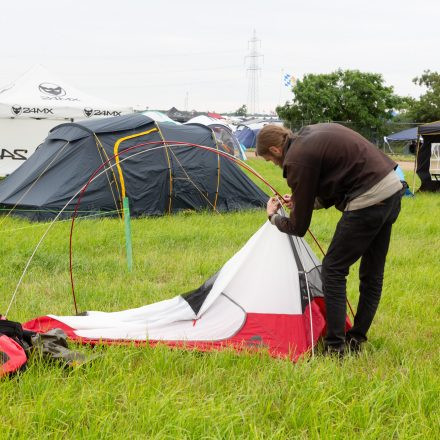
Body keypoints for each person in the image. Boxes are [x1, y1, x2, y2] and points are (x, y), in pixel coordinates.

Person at [256, 123, 404, 355]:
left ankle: (335, 347)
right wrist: (299, 201)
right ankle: (356, 339)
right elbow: (334, 184)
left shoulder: (296, 159)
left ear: (275, 150)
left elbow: (298, 227)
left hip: (368, 198)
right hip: (392, 188)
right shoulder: (309, 135)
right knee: (372, 274)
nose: (274, 165)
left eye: (270, 160)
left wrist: (273, 217)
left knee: (333, 270)